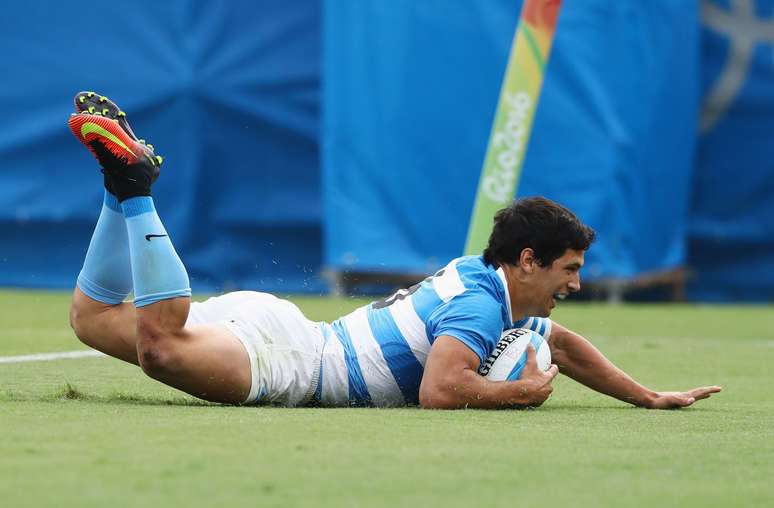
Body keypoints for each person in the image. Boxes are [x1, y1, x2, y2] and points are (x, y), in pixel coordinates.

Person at [67, 92, 721, 409]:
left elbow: (567, 346)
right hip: (293, 364)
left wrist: (648, 397)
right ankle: (138, 191)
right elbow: (441, 390)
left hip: (286, 329)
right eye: (570, 269)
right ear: (528, 261)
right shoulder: (479, 309)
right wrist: (515, 395)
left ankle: (116, 193)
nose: (575, 283)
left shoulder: (487, 283)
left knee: (91, 319)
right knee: (160, 346)